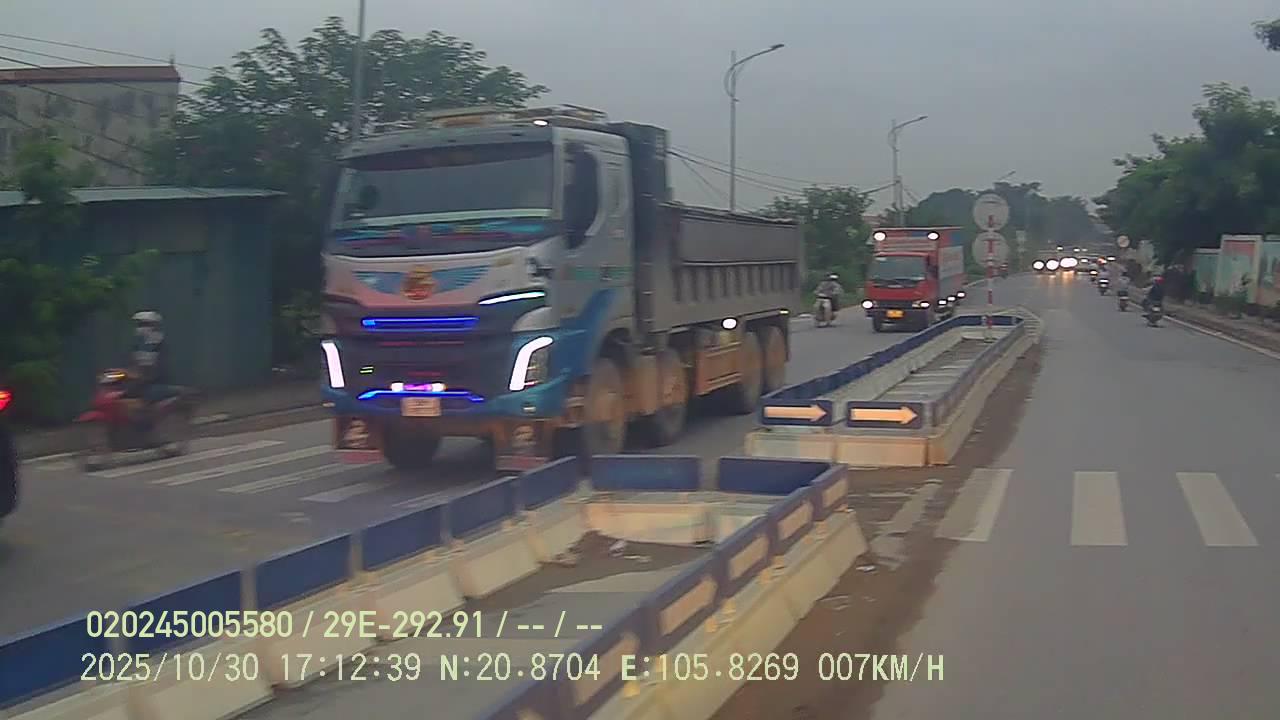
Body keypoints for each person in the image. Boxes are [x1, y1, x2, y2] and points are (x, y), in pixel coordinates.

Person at [125, 311, 170, 426]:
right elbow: (133, 362)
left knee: (145, 400)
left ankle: (147, 425)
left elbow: (154, 366)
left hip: (155, 381)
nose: (140, 327)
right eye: (139, 324)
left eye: (144, 324)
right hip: (140, 380)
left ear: (153, 325)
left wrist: (143, 375)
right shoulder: (137, 343)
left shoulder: (157, 342)